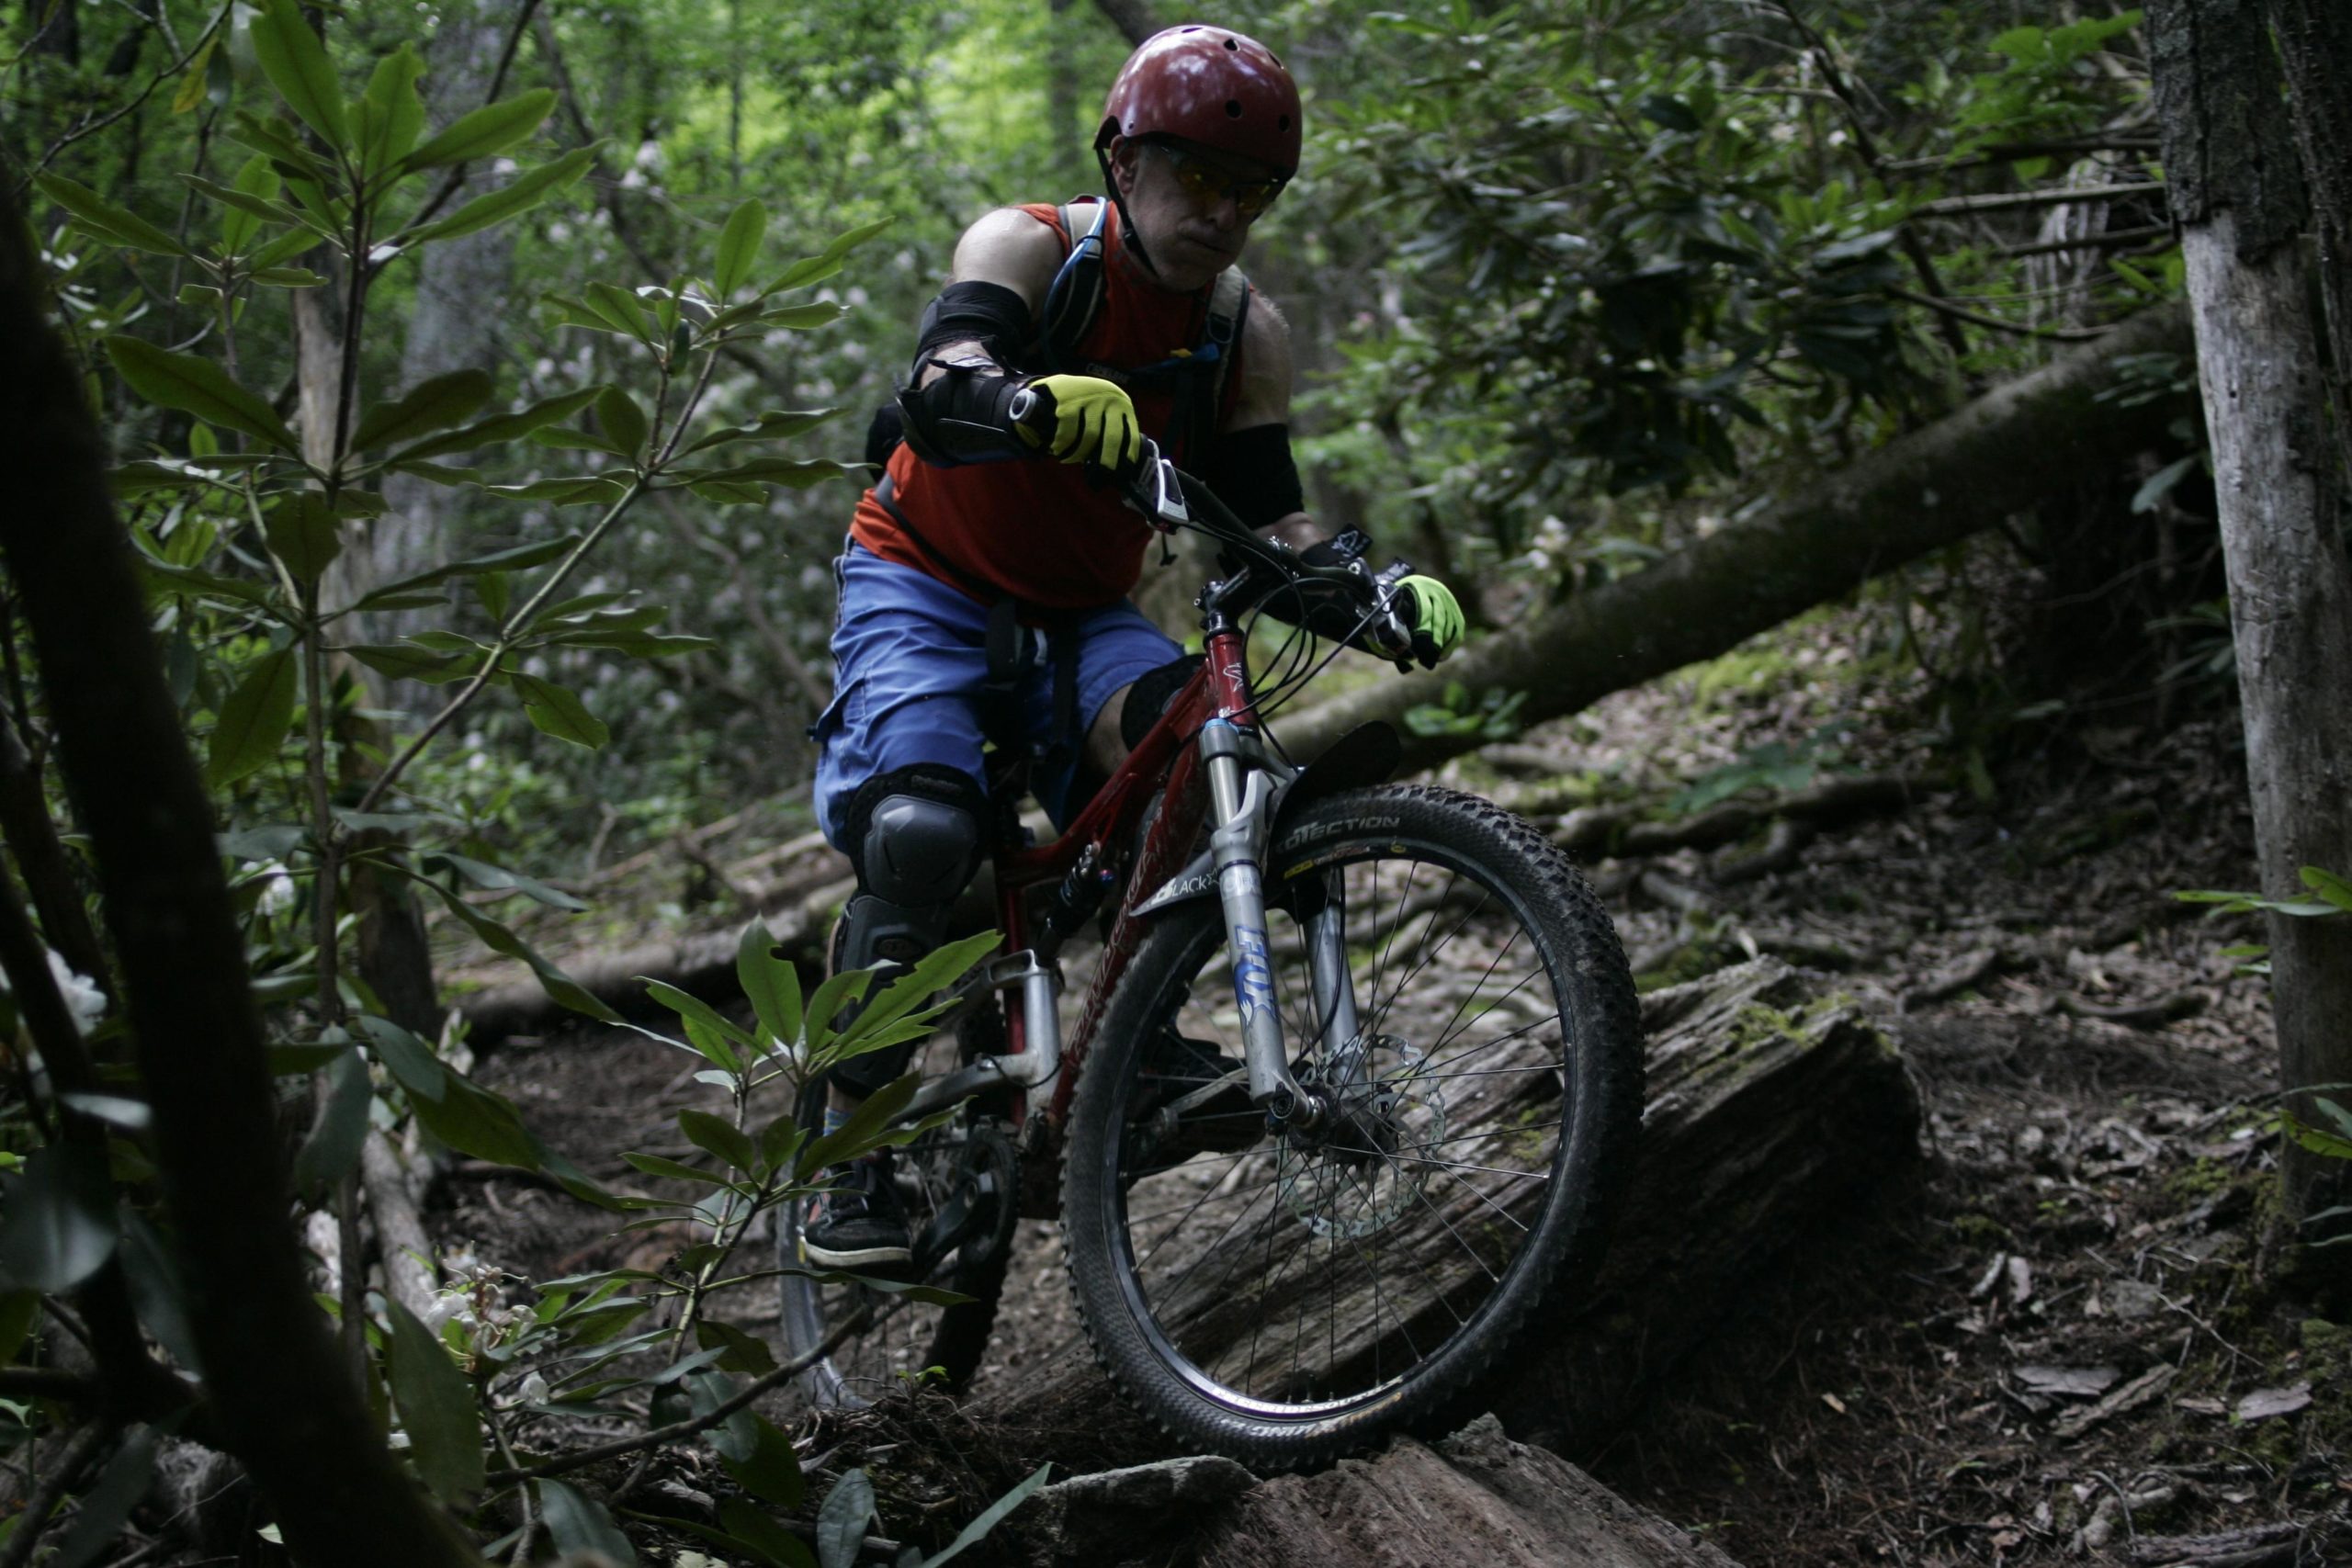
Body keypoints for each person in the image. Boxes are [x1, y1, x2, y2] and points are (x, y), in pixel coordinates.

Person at [798, 24, 1465, 1269]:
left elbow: (1270, 525)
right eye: (1195, 177)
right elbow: (941, 380)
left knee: (1190, 772)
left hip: (1083, 613)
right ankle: (846, 1162)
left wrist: (1367, 593)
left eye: (1247, 191)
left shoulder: (1239, 333)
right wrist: (1026, 398)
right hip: (922, 574)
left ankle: (1132, 1042)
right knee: (923, 834)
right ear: (1124, 162)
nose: (1219, 212)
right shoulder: (1030, 248)